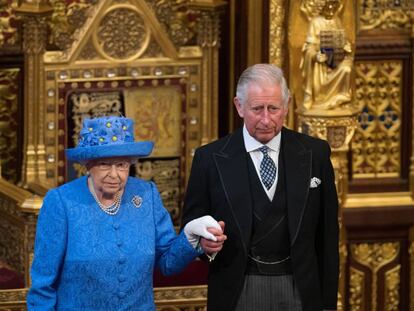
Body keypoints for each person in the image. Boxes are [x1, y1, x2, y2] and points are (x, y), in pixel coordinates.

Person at [181, 64, 339, 311]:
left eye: (274, 108)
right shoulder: (209, 159)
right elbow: (192, 225)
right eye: (257, 109)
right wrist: (205, 246)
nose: (266, 119)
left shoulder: (314, 154)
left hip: (302, 289)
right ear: (239, 106)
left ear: (286, 106)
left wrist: (328, 304)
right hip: (238, 289)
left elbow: (328, 236)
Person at [26, 115, 226, 310]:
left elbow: (167, 263)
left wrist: (190, 236)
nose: (114, 174)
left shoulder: (146, 194)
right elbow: (43, 284)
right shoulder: (61, 202)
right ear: (88, 164)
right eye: (104, 164)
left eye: (121, 165)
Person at [300, 0, 353, 111]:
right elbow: (308, 47)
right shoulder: (315, 22)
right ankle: (319, 100)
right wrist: (316, 55)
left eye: (333, 8)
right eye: (327, 8)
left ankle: (342, 98)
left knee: (347, 68)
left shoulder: (337, 20)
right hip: (320, 65)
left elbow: (341, 40)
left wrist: (346, 47)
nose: (330, 12)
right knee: (319, 67)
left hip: (336, 61)